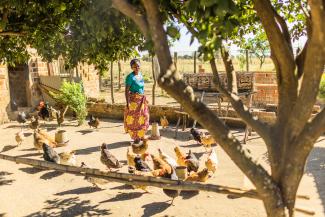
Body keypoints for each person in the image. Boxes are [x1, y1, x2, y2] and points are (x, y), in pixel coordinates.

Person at [124, 59, 149, 143]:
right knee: (134, 120)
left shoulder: (141, 75)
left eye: (138, 66)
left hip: (141, 100)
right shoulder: (130, 77)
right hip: (133, 101)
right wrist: (128, 103)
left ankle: (141, 135)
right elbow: (126, 91)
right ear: (131, 67)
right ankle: (135, 137)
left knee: (144, 117)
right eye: (134, 66)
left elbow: (142, 88)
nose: (137, 68)